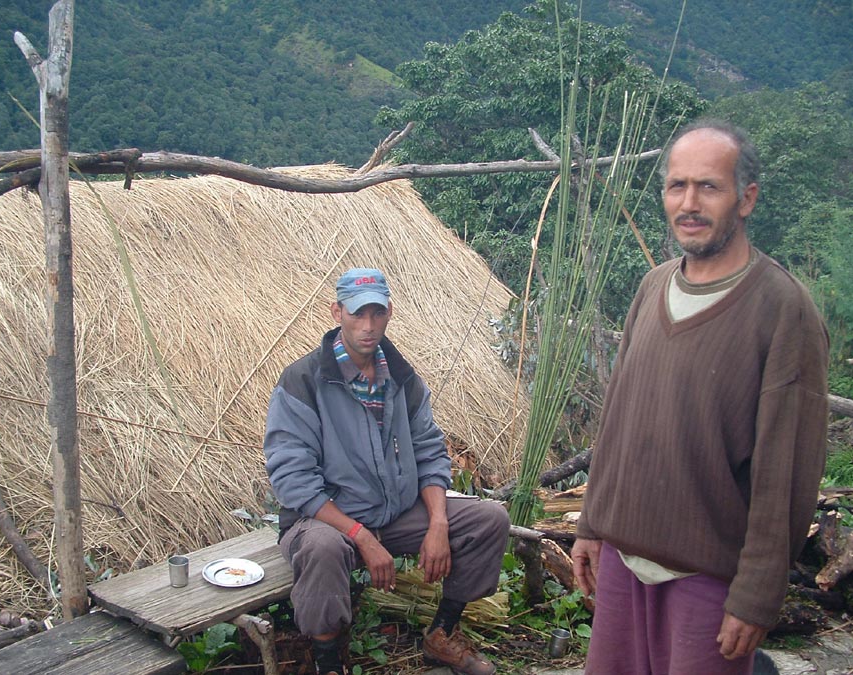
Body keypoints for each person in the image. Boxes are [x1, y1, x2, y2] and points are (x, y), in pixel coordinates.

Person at [571, 119, 829, 674]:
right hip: (621, 563)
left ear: (746, 199)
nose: (689, 203)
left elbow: (785, 473)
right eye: (676, 185)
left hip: (706, 582)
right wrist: (592, 525)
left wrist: (756, 595)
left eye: (708, 186)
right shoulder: (653, 286)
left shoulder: (783, 311)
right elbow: (617, 420)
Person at [264, 267, 510, 675]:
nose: (368, 326)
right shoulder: (304, 380)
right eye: (358, 314)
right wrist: (360, 536)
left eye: (377, 314)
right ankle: (328, 660)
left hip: (394, 512)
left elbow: (430, 453)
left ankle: (442, 634)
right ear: (336, 312)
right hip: (328, 520)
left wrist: (437, 524)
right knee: (321, 550)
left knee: (489, 519)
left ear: (389, 313)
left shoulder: (402, 378)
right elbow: (293, 479)